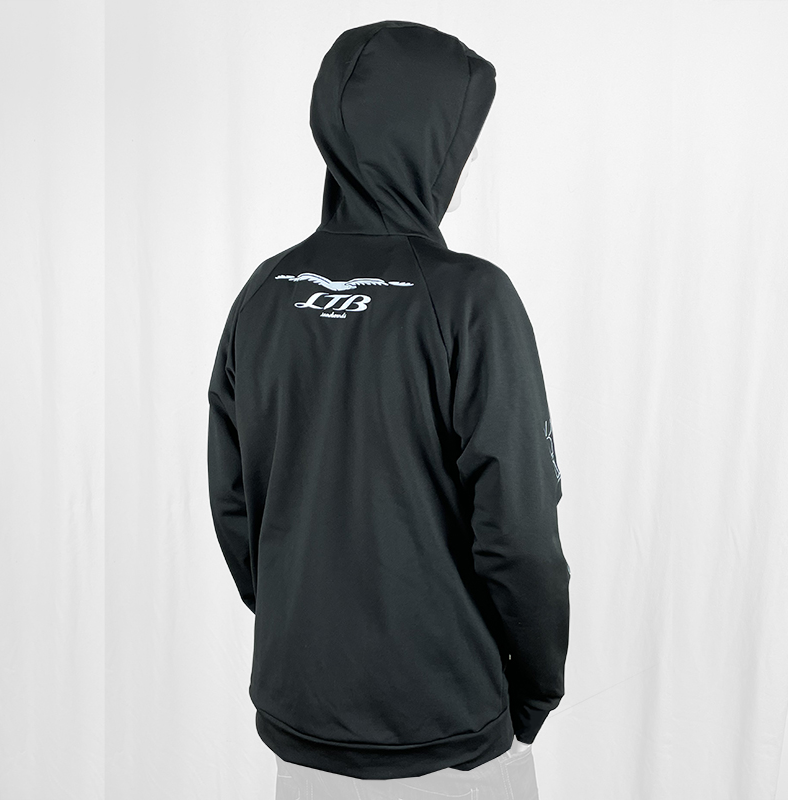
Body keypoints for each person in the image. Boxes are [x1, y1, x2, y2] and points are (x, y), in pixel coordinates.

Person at [207, 19, 570, 800]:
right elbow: (520, 536)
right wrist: (535, 696)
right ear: (426, 139)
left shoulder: (264, 294)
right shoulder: (471, 299)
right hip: (452, 739)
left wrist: (310, 629)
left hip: (301, 726)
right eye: (460, 137)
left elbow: (235, 507)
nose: (466, 161)